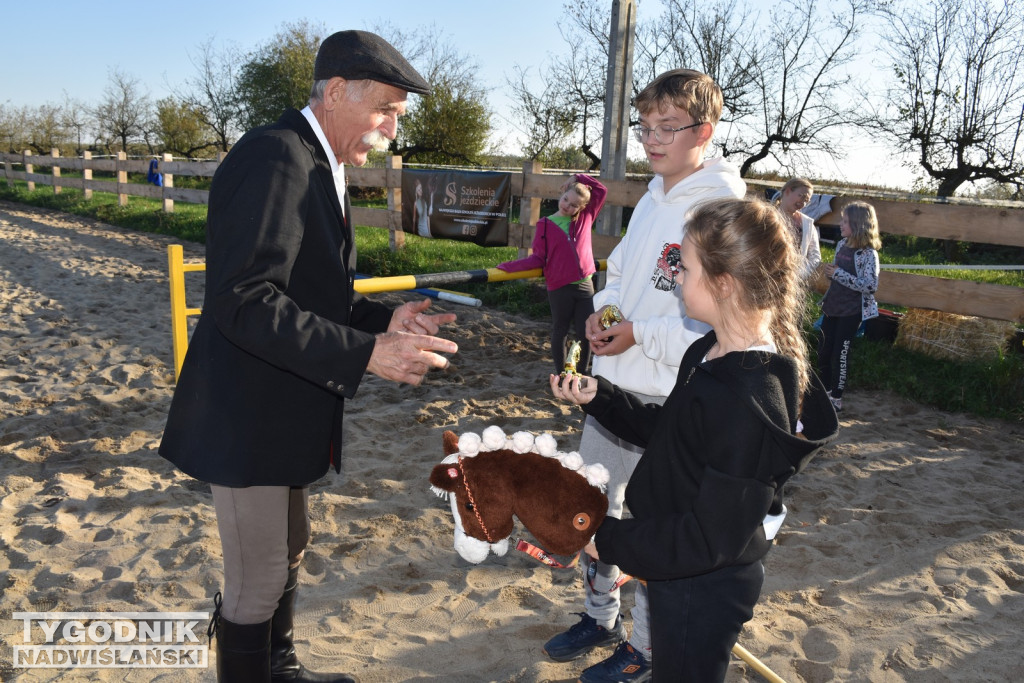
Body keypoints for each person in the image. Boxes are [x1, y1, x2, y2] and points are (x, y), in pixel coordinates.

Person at [158, 30, 459, 683]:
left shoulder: (318, 162)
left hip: (282, 403)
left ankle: (281, 666)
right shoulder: (275, 157)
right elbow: (243, 300)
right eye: (384, 110)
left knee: (290, 549)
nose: (389, 129)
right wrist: (366, 353)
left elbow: (310, 292)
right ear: (334, 91)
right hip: (246, 413)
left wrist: (385, 319)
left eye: (397, 116)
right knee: (257, 577)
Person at [550, 197, 840, 681]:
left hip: (702, 585)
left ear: (723, 284)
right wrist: (601, 398)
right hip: (672, 557)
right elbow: (673, 431)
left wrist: (610, 539)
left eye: (683, 268)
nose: (677, 278)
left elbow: (710, 539)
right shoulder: (710, 348)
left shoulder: (749, 399)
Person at [539, 69, 747, 683]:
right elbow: (622, 275)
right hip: (615, 390)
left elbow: (718, 322)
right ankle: (599, 617)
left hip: (669, 402)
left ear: (703, 132)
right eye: (645, 127)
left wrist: (640, 335)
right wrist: (606, 318)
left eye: (668, 127)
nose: (652, 140)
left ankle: (649, 650)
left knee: (657, 532)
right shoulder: (652, 197)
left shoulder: (720, 212)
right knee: (592, 510)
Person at [496, 173, 607, 374]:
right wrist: (508, 266)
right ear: (562, 194)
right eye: (566, 199)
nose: (567, 206)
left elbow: (601, 190)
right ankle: (562, 373)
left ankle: (581, 374)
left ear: (582, 208)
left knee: (585, 333)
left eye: (574, 205)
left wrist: (577, 176)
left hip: (585, 285)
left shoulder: (586, 217)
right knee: (560, 330)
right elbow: (538, 259)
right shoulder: (545, 225)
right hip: (559, 286)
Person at [817, 201, 881, 412]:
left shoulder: (868, 254)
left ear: (859, 224)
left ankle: (836, 398)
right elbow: (838, 275)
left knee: (840, 355)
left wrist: (837, 274)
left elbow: (870, 285)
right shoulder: (841, 245)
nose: (841, 224)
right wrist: (832, 273)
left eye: (845, 221)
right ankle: (826, 393)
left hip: (850, 312)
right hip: (832, 307)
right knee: (823, 352)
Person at [774, 177, 822, 281]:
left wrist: (798, 276)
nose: (803, 203)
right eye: (802, 196)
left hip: (792, 281)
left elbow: (815, 256)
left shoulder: (807, 224)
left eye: (806, 201)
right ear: (787, 191)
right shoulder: (767, 217)